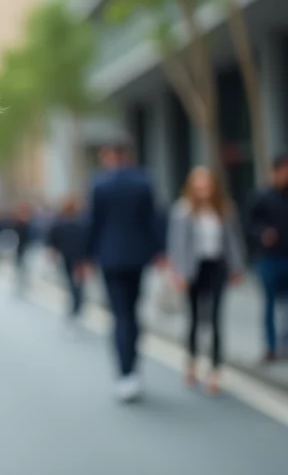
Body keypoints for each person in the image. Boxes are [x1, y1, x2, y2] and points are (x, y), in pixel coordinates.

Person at [82, 140, 164, 402]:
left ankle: (125, 372)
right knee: (133, 311)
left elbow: (91, 222)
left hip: (109, 258)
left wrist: (84, 257)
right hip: (138, 257)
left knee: (120, 316)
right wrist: (160, 252)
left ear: (108, 156)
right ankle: (133, 368)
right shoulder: (143, 181)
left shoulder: (99, 184)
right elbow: (154, 219)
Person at [166, 166, 245, 394]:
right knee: (194, 318)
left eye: (207, 186)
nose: (204, 191)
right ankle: (191, 361)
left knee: (216, 318)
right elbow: (176, 244)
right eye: (199, 186)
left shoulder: (225, 209)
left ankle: (215, 371)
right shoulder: (182, 210)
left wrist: (237, 267)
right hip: (193, 269)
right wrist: (177, 273)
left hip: (216, 266)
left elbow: (233, 240)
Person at [248, 152, 288, 361]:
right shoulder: (262, 195)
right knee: (270, 303)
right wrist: (262, 234)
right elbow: (249, 225)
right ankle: (271, 347)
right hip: (269, 258)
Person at [46, 195, 88, 324]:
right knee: (78, 283)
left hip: (71, 258)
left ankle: (76, 304)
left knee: (72, 282)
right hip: (79, 258)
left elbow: (53, 244)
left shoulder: (61, 224)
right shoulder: (81, 223)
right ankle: (78, 303)